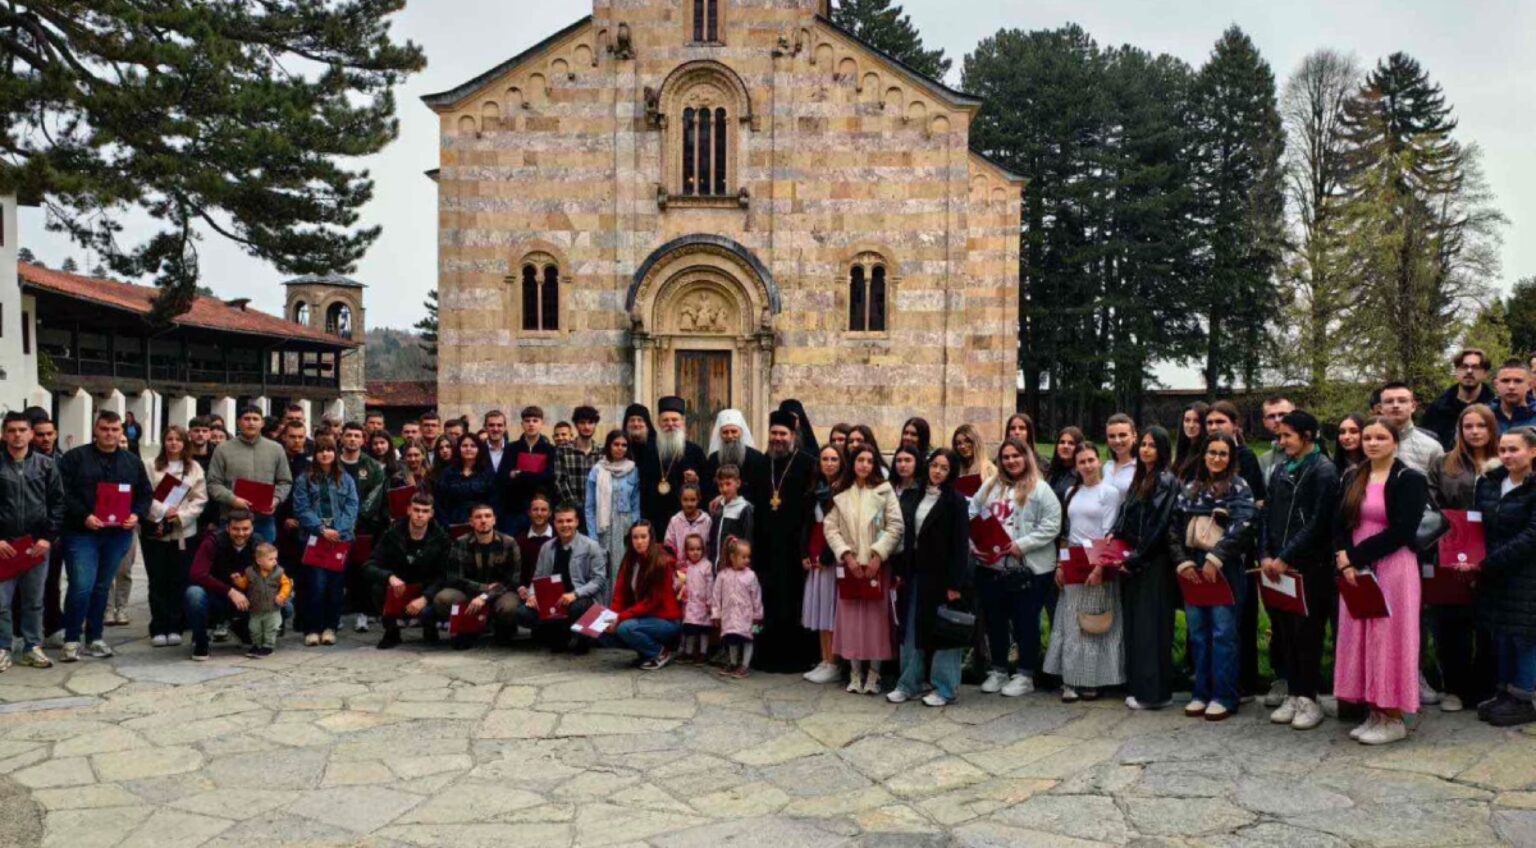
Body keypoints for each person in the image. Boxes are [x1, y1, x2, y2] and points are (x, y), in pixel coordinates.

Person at [1332, 417, 1428, 745]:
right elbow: (1340, 523)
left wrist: (1355, 557)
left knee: (1389, 637)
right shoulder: (1353, 476)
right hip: (1355, 567)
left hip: (1393, 566)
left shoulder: (1410, 479)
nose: (1372, 443)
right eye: (1368, 437)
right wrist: (1344, 558)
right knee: (1359, 635)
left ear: (1395, 441)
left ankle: (1393, 716)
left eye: (1380, 437)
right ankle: (1373, 711)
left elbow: (1403, 530)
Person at [1167, 432, 1258, 721]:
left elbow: (1245, 524)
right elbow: (1173, 527)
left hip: (1224, 566)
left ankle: (1224, 695)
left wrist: (1216, 556)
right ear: (1203, 455)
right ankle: (1201, 693)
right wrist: (1181, 561)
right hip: (1192, 566)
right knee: (1198, 631)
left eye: (1223, 454)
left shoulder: (1238, 487)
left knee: (1223, 632)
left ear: (1231, 458)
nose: (1216, 458)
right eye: (1212, 453)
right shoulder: (1191, 488)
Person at [1260, 410, 1340, 731]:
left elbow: (1319, 524)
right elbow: (1267, 514)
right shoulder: (1281, 469)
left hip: (1309, 566)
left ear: (1307, 436)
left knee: (1307, 632)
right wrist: (1266, 553)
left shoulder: (1324, 471)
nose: (1281, 442)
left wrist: (1287, 556)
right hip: (1277, 565)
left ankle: (1309, 697)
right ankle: (1293, 692)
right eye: (1279, 437)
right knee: (1285, 630)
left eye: (1287, 436)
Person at [969, 437, 1062, 698]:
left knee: (1025, 621)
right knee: (995, 620)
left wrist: (1024, 543)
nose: (1011, 461)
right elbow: (972, 511)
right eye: (1006, 457)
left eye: (1016, 456)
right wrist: (976, 542)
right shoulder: (991, 486)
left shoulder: (1040, 489)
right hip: (993, 566)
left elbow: (1052, 524)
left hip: (1028, 568)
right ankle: (999, 669)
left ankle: (1025, 673)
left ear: (1026, 457)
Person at [56, 411, 152, 661]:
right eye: (104, 429)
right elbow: (63, 493)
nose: (109, 434)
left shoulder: (132, 462)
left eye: (114, 429)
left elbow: (144, 494)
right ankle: (71, 639)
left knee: (101, 588)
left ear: (122, 432)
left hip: (117, 535)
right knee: (81, 586)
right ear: (95, 430)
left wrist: (137, 515)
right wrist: (84, 516)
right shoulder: (75, 458)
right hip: (81, 532)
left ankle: (95, 638)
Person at [1425, 404, 1499, 713]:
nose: (1475, 431)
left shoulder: (1505, 460)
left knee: (1487, 623)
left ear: (1491, 428)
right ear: (1460, 430)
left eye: (1481, 425)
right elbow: (1431, 503)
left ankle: (1484, 688)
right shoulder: (1444, 463)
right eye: (1468, 426)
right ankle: (1454, 687)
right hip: (1452, 550)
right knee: (1450, 623)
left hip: (1494, 551)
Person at [889, 448, 971, 706]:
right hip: (915, 575)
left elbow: (960, 545)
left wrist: (955, 584)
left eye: (944, 468)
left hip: (942, 578)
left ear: (951, 472)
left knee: (944, 632)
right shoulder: (916, 495)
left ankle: (944, 688)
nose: (937, 471)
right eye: (934, 465)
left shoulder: (956, 502)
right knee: (912, 631)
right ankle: (908, 683)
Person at [823, 443, 904, 695]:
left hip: (875, 566)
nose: (865, 465)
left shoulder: (884, 490)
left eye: (870, 460)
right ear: (853, 463)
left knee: (875, 621)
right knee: (850, 620)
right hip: (850, 567)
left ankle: (874, 674)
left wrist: (878, 555)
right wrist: (846, 556)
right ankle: (855, 672)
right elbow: (830, 527)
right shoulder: (841, 492)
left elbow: (895, 526)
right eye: (860, 460)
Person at [1046, 441, 1124, 702]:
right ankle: (1069, 679)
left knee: (1094, 623)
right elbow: (1067, 531)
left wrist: (1100, 567)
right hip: (1073, 559)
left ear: (1099, 460)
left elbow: (1109, 532)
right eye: (1082, 462)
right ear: (1076, 466)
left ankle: (1092, 680)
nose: (1087, 466)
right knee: (1070, 622)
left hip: (1097, 560)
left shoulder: (1109, 493)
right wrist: (1060, 563)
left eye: (1091, 460)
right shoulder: (1071, 492)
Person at [1472, 427, 1536, 726]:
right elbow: (1475, 526)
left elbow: (1531, 536)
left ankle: (1524, 697)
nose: (1507, 455)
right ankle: (1504, 692)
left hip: (1526, 574)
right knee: (1501, 633)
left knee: (1524, 636)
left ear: (1533, 451)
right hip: (1494, 573)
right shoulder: (1489, 483)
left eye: (1515, 449)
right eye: (1503, 450)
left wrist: (1488, 562)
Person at [1204, 400, 1267, 701]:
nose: (1214, 427)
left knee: (1239, 619)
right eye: (1210, 423)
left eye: (1220, 422)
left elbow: (1251, 507)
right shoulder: (1200, 459)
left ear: (1235, 425)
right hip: (1203, 552)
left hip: (1236, 551)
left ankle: (1243, 681)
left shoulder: (1246, 458)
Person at [1114, 426, 1179, 710]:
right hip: (1134, 560)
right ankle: (1140, 687)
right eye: (1143, 445)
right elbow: (1126, 516)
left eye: (1152, 445)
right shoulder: (1140, 478)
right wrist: (1114, 541)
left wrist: (1136, 558)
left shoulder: (1165, 480)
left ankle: (1154, 693)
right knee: (1137, 627)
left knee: (1151, 627)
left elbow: (1159, 526)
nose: (1145, 450)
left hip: (1153, 562)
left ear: (1162, 449)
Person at [753, 411, 820, 672]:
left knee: (793, 600)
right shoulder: (762, 463)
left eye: (783, 434)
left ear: (793, 436)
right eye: (774, 433)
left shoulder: (806, 463)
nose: (777, 438)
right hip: (766, 544)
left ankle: (795, 658)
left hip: (794, 545)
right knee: (768, 598)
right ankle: (766, 656)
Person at [0, 411, 64, 670]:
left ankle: (32, 646)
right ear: (4, 434)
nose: (17, 435)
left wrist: (48, 538)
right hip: (4, 546)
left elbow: (58, 504)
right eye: (12, 430)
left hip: (35, 545)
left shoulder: (45, 465)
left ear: (30, 433)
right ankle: (3, 647)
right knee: (1, 602)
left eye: (22, 430)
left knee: (34, 600)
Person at [140, 425, 208, 647]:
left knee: (179, 580)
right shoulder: (150, 465)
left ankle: (176, 625)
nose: (173, 443)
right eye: (169, 439)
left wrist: (179, 515)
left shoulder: (194, 468)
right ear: (164, 441)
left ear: (184, 443)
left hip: (183, 532)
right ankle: (158, 626)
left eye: (178, 440)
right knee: (158, 580)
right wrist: (161, 511)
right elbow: (144, 493)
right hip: (156, 530)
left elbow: (200, 499)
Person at [292, 435, 360, 646]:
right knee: (316, 584)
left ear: (335, 453)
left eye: (329, 450)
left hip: (340, 538)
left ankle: (331, 626)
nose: (325, 454)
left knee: (335, 585)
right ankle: (313, 628)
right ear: (315, 454)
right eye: (321, 450)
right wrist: (321, 529)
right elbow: (301, 508)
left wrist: (338, 530)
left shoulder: (345, 478)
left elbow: (352, 505)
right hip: (314, 538)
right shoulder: (304, 479)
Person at [518, 503, 608, 650]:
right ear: (554, 523)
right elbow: (538, 577)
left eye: (569, 521)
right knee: (522, 612)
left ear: (577, 522)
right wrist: (533, 595)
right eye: (560, 521)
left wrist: (575, 594)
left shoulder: (592, 546)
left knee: (578, 607)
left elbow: (599, 580)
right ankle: (558, 633)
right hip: (553, 602)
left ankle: (582, 637)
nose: (565, 525)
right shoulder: (547, 547)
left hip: (580, 599)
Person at [370, 494, 452, 649]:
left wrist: (426, 597)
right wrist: (390, 577)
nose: (420, 515)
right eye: (416, 510)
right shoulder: (392, 534)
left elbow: (445, 575)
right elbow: (370, 564)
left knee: (441, 595)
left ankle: (430, 626)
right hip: (399, 587)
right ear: (409, 510)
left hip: (426, 588)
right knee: (377, 587)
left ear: (431, 514)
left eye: (425, 511)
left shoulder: (442, 539)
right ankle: (391, 631)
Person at [434, 503, 521, 649]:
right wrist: (483, 589)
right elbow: (454, 578)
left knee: (510, 607)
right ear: (471, 521)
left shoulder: (509, 543)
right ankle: (468, 627)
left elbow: (512, 580)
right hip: (469, 594)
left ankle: (501, 627)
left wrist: (485, 596)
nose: (483, 520)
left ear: (494, 520)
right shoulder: (460, 543)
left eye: (488, 516)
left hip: (500, 593)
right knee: (443, 598)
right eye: (478, 517)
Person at [206, 405, 293, 543]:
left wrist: (275, 500)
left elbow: (285, 481)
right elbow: (213, 483)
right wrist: (233, 499)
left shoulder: (276, 449)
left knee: (264, 561)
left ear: (262, 423)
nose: (251, 423)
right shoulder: (223, 449)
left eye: (255, 419)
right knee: (230, 562)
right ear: (238, 422)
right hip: (232, 518)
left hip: (264, 519)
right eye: (246, 419)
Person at [183, 509, 260, 660]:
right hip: (215, 597)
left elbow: (272, 572)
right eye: (235, 529)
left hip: (246, 598)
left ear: (252, 528)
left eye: (245, 529)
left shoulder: (258, 543)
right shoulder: (212, 542)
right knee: (194, 594)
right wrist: (230, 591)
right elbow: (197, 573)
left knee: (285, 606)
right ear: (227, 528)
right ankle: (200, 641)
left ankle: (243, 629)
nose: (240, 533)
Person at [607, 520, 684, 669]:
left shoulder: (660, 562)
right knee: (605, 630)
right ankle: (645, 652)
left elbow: (652, 602)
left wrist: (621, 617)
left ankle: (660, 652)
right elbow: (620, 592)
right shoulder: (630, 558)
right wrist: (612, 616)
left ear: (651, 538)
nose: (639, 541)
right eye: (635, 537)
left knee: (625, 628)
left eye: (643, 537)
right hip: (645, 616)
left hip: (667, 620)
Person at [801, 444, 844, 684]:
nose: (829, 463)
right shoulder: (815, 490)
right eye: (825, 459)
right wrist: (805, 553)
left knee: (830, 610)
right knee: (819, 608)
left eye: (834, 459)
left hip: (831, 557)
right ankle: (824, 658)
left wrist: (826, 556)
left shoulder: (843, 492)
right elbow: (808, 525)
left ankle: (834, 662)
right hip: (815, 554)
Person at [639, 397, 707, 527]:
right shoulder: (648, 450)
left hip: (686, 521)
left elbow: (706, 485)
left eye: (675, 420)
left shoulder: (695, 451)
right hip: (653, 519)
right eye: (665, 420)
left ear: (683, 422)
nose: (670, 424)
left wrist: (696, 480)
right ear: (658, 422)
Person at [586, 429, 640, 582]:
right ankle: (605, 605)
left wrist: (635, 531)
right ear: (609, 445)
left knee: (626, 568)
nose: (620, 448)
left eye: (624, 445)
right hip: (603, 528)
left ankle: (622, 605)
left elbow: (635, 505)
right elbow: (589, 507)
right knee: (603, 569)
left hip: (625, 527)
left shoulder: (633, 470)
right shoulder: (597, 470)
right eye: (616, 444)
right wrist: (592, 536)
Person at [710, 537, 763, 678]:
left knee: (749, 639)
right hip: (729, 617)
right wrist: (716, 614)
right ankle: (733, 663)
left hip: (749, 618)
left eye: (748, 557)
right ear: (732, 557)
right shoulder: (723, 575)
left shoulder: (751, 576)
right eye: (743, 557)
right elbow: (716, 596)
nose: (747, 560)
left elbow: (756, 597)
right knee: (732, 639)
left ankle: (745, 665)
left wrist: (758, 616)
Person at [1423, 348, 1496, 449]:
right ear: (1456, 371)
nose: (1469, 371)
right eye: (1464, 367)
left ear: (1485, 374)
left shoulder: (1495, 409)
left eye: (1475, 367)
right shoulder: (1437, 409)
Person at [229, 543, 291, 658]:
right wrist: (237, 580)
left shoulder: (279, 572)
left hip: (272, 608)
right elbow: (244, 585)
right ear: (259, 561)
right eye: (271, 559)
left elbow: (286, 584)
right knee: (254, 628)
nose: (275, 562)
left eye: (275, 558)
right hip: (255, 608)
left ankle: (268, 646)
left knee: (271, 628)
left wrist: (282, 595)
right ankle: (256, 645)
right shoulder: (250, 572)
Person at [504, 406, 557, 534]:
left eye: (535, 420)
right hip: (516, 507)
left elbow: (549, 476)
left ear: (541, 423)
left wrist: (521, 474)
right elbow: (505, 476)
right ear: (522, 424)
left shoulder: (550, 449)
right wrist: (536, 476)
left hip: (541, 505)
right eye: (527, 421)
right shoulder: (511, 448)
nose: (531, 424)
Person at [1375, 382, 1445, 474]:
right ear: (1380, 408)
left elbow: (1441, 485)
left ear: (1413, 406)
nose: (1395, 405)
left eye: (1402, 401)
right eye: (1389, 401)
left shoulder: (1432, 448)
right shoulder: (1369, 445)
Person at [703, 408, 766, 503]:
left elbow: (760, 489)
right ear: (720, 434)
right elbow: (708, 490)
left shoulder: (756, 458)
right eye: (725, 432)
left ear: (741, 432)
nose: (730, 436)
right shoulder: (713, 459)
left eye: (734, 431)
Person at [435, 433, 495, 529]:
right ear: (458, 449)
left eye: (473, 446)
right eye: (464, 446)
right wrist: (445, 523)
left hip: (481, 524)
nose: (468, 449)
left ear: (479, 449)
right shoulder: (448, 473)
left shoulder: (487, 473)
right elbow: (439, 501)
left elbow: (494, 500)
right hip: (453, 524)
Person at [556, 405, 601, 530]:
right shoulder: (563, 450)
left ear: (595, 424)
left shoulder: (602, 452)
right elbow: (560, 481)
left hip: (597, 513)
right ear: (576, 425)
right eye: (582, 423)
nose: (586, 427)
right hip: (571, 514)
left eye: (590, 423)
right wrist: (576, 507)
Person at [678, 534, 714, 663]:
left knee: (704, 629)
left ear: (703, 550)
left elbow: (710, 585)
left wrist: (710, 602)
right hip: (690, 604)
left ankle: (703, 652)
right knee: (690, 629)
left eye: (698, 549)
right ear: (686, 551)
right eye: (691, 549)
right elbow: (678, 582)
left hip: (703, 604)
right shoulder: (685, 566)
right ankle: (688, 652)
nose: (695, 552)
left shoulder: (706, 566)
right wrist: (678, 586)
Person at [707, 464, 753, 565]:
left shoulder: (744, 508)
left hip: (734, 565)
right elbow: (712, 536)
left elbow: (747, 539)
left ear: (738, 483)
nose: (724, 489)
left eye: (728, 484)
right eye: (720, 485)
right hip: (716, 563)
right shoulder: (718, 506)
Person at [515, 493, 557, 588]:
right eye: (535, 509)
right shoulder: (520, 540)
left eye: (543, 510)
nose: (539, 513)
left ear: (550, 513)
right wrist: (521, 587)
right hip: (526, 590)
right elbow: (516, 570)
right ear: (529, 512)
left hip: (554, 590)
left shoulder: (559, 538)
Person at [664, 483, 712, 561]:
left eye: (693, 500)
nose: (689, 504)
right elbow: (668, 544)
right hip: (679, 567)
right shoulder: (675, 521)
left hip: (702, 568)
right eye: (685, 500)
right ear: (680, 499)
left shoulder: (707, 521)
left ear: (699, 499)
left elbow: (710, 545)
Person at [1492, 360, 1536, 433]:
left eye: (1518, 381)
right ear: (1496, 384)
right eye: (1505, 381)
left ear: (1529, 385)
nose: (1511, 387)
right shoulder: (1484, 416)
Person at [1174, 402, 1210, 480]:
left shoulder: (1206, 455)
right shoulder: (1183, 452)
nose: (1191, 425)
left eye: (1196, 421)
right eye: (1187, 420)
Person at [1047, 427, 1084, 500]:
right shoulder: (1049, 472)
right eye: (1062, 442)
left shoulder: (1081, 476)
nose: (1065, 446)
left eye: (1071, 443)